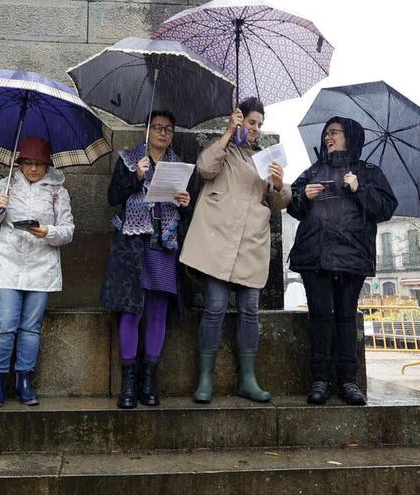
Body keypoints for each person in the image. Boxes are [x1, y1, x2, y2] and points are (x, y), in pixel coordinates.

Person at [180, 97, 290, 404]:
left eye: (259, 125)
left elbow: (281, 202)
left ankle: (248, 379)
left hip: (251, 243)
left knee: (250, 311)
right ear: (239, 119)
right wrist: (228, 133)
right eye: (251, 122)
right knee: (214, 307)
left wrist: (280, 184)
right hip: (218, 240)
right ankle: (204, 380)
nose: (255, 129)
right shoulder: (224, 149)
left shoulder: (265, 157)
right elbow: (203, 169)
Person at [287, 117, 397, 406]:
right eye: (326, 133)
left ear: (350, 136)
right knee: (320, 317)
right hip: (315, 254)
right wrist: (303, 196)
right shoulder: (314, 170)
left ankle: (349, 381)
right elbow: (293, 206)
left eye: (333, 132)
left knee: (346, 318)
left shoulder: (369, 172)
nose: (327, 137)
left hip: (351, 256)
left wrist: (359, 187)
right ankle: (320, 380)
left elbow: (384, 209)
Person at [100, 110, 194, 409]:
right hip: (132, 246)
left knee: (157, 311)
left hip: (163, 245)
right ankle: (128, 384)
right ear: (147, 131)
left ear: (173, 134)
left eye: (168, 129)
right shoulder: (129, 159)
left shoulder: (177, 166)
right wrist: (135, 177)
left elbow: (181, 213)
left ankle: (149, 381)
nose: (162, 133)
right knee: (131, 312)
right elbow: (112, 197)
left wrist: (184, 203)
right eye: (157, 128)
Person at [0, 137, 75, 408]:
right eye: (28, 163)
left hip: (41, 266)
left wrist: (49, 232)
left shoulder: (58, 191)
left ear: (48, 165)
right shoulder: (6, 184)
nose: (33, 169)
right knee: (4, 326)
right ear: (19, 163)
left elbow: (68, 230)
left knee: (30, 329)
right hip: (7, 265)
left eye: (39, 164)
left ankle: (24, 379)